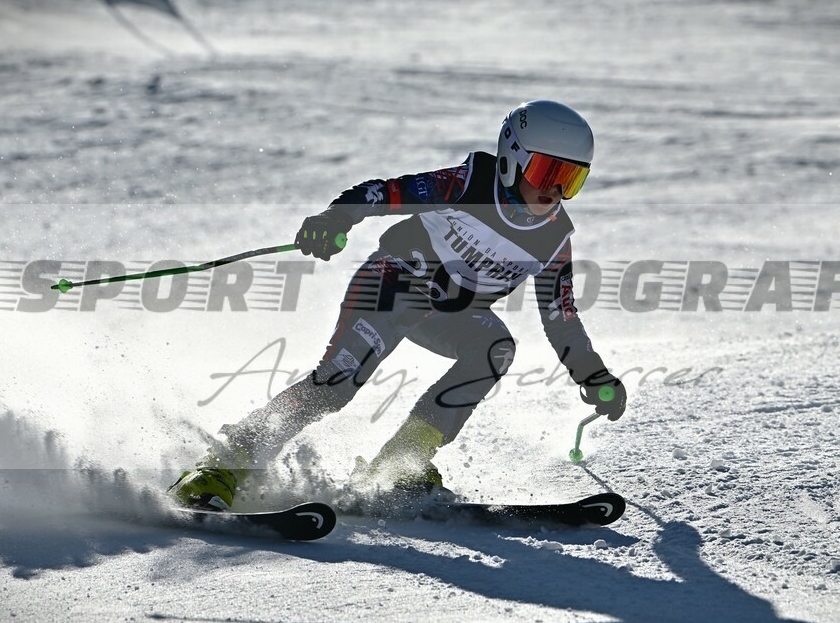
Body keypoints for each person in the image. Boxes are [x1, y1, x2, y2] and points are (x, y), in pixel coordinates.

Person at [170, 99, 628, 511]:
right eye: (546, 172)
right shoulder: (467, 184)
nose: (555, 191)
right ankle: (224, 464)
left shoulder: (553, 239)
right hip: (390, 284)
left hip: (451, 315)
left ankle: (400, 466)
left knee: (494, 348)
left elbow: (561, 318)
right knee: (337, 384)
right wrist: (335, 219)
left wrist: (593, 375)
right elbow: (384, 192)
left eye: (571, 179)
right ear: (511, 160)